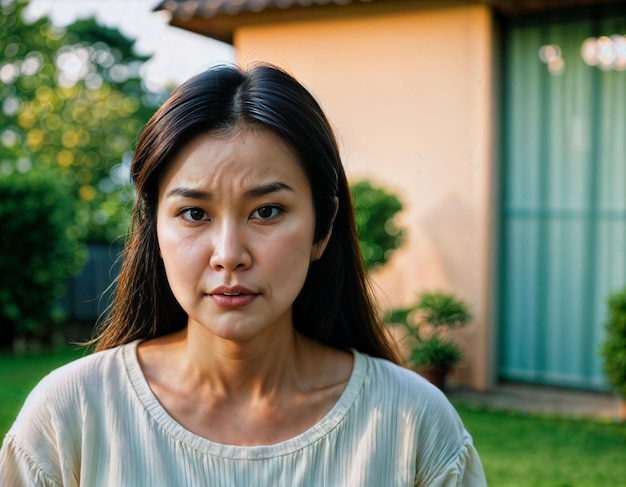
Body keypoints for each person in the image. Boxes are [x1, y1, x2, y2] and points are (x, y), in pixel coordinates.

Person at [0, 63, 486, 486]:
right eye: (194, 214)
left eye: (268, 211)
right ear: (154, 230)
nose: (229, 255)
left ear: (324, 227)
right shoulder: (72, 416)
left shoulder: (414, 425)